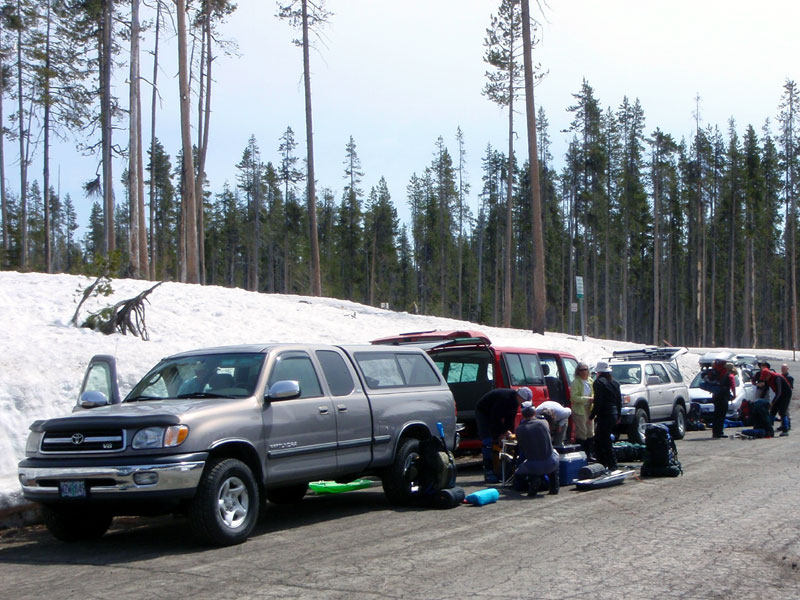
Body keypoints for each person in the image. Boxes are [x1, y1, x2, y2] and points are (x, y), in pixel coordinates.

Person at [475, 386, 533, 483]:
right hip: (484, 412)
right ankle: (488, 470)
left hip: (494, 414)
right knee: (488, 439)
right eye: (523, 401)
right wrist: (503, 432)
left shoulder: (515, 403)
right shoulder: (505, 398)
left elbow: (510, 420)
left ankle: (501, 470)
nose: (522, 404)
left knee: (505, 439)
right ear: (518, 396)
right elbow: (494, 417)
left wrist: (508, 434)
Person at [514, 402, 560, 496]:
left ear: (522, 414)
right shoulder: (544, 423)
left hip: (533, 466)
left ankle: (534, 480)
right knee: (554, 453)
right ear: (534, 412)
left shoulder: (519, 430)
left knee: (520, 470)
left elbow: (521, 448)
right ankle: (554, 486)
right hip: (550, 463)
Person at [590, 361, 622, 471]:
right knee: (602, 439)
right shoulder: (615, 382)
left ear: (598, 372)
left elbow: (598, 401)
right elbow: (619, 400)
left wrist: (592, 416)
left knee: (602, 440)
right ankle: (605, 463)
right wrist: (619, 415)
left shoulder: (598, 383)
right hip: (613, 414)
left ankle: (610, 464)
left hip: (604, 415)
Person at [570, 362, 595, 459]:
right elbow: (573, 398)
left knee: (590, 431)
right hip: (580, 409)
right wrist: (587, 399)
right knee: (582, 432)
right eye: (581, 370)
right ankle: (582, 455)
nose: (584, 371)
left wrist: (592, 400)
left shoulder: (591, 381)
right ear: (578, 371)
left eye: (586, 369)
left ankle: (589, 454)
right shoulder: (575, 382)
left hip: (590, 408)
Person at [765, 368, 792, 437]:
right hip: (779, 394)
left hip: (786, 395)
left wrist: (773, 402)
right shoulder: (768, 379)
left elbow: (779, 392)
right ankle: (769, 429)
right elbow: (765, 389)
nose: (765, 379)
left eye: (765, 377)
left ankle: (785, 429)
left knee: (782, 412)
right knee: (772, 411)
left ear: (768, 375)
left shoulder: (777, 378)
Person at [780, 364, 793, 432]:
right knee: (782, 410)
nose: (783, 369)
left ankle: (788, 424)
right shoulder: (781, 376)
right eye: (782, 368)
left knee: (786, 410)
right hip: (781, 396)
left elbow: (790, 387)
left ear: (787, 369)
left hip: (786, 396)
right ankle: (783, 425)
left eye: (784, 368)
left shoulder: (789, 377)